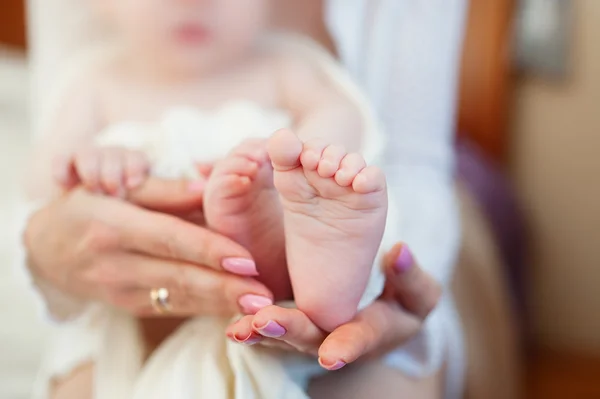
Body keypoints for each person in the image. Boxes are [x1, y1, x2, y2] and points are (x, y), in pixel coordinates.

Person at [23, 0, 467, 398]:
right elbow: (48, 181)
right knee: (77, 381)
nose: (193, 4)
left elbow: (345, 115)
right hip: (135, 304)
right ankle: (283, 259)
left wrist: (307, 160)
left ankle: (311, 272)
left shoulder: (285, 63)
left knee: (373, 378)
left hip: (278, 291)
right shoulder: (93, 82)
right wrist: (98, 164)